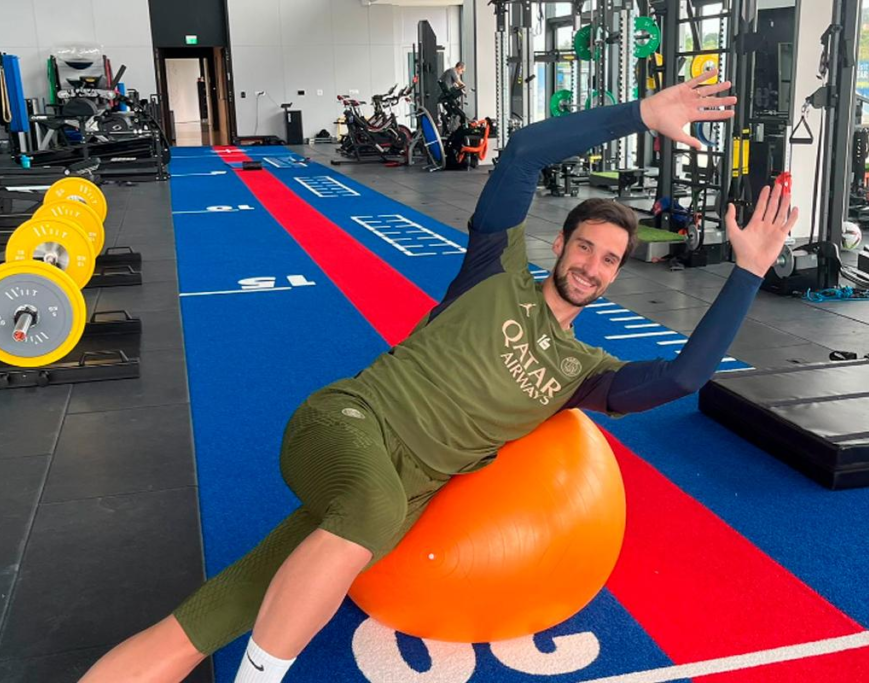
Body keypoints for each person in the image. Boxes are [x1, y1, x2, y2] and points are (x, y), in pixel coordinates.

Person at [80, 71, 798, 683]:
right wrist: (641, 114)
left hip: (387, 499)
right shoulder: (497, 268)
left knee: (218, 609)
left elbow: (684, 376)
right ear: (561, 242)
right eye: (585, 246)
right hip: (346, 425)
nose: (592, 265)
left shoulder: (584, 373)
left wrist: (748, 271)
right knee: (371, 514)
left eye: (609, 259)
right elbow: (520, 155)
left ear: (615, 275)